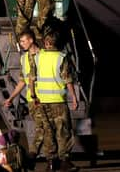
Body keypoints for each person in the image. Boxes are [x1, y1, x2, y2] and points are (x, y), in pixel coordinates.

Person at [35, 31, 78, 172]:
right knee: (63, 132)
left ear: (46, 43)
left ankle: (51, 163)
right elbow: (67, 79)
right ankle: (64, 161)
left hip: (43, 101)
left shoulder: (38, 57)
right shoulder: (61, 57)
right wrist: (74, 97)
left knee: (48, 132)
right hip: (58, 101)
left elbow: (32, 77)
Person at [3, 29, 44, 169]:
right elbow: (23, 81)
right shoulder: (24, 58)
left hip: (47, 99)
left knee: (46, 130)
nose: (20, 44)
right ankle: (34, 156)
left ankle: (37, 157)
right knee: (42, 129)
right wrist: (11, 97)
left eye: (23, 41)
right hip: (34, 102)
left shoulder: (43, 56)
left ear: (31, 40)